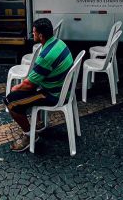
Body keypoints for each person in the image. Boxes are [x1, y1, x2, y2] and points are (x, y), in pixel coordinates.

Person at [4, 18, 74, 152]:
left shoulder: (46, 55)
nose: (32, 34)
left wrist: (15, 88)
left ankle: (30, 135)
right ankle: (39, 122)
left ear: (41, 35)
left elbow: (29, 84)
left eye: (34, 32)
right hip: (62, 88)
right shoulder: (59, 42)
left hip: (54, 95)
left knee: (11, 102)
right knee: (29, 91)